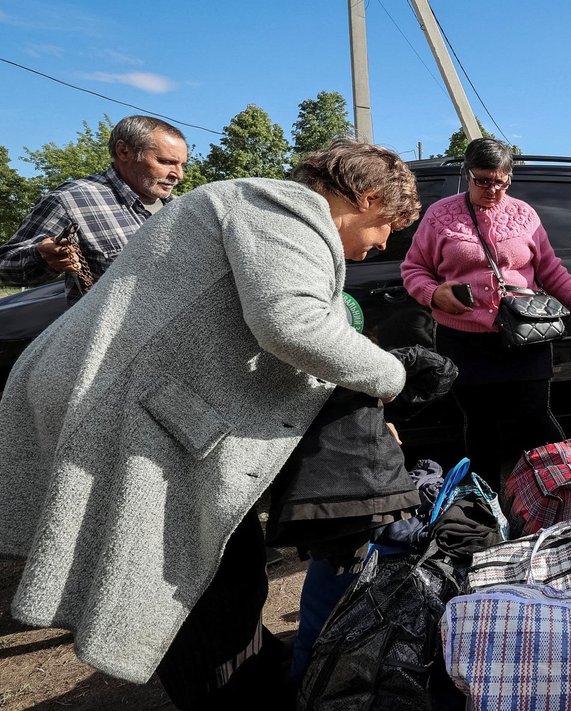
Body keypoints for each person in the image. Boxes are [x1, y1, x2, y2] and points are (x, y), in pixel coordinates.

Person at [0, 137, 422, 709]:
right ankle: (231, 694)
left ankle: (242, 672)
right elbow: (290, 323)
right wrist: (392, 373)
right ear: (368, 198)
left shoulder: (253, 207)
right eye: (387, 229)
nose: (379, 246)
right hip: (125, 403)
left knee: (212, 560)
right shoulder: (285, 211)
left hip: (130, 393)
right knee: (193, 569)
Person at [401, 137, 571, 486]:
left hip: (526, 335)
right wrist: (435, 293)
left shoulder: (525, 214)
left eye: (501, 181)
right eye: (483, 180)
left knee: (537, 418)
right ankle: (489, 505)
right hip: (464, 340)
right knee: (480, 424)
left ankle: (566, 491)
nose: (492, 189)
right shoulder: (440, 215)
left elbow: (550, 268)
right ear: (468, 174)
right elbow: (413, 269)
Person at [0, 115, 188, 303]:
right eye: (166, 162)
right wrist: (41, 258)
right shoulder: (71, 200)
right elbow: (4, 266)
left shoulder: (184, 209)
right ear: (124, 152)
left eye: (182, 165)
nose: (178, 175)